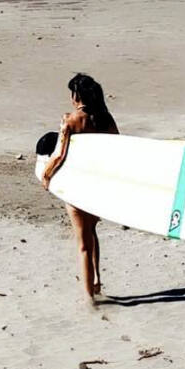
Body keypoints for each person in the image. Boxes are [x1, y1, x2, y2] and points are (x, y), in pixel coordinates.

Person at [40, 73, 119, 308]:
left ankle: (88, 297)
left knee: (82, 242)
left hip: (77, 185)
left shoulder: (71, 121)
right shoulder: (106, 119)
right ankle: (96, 280)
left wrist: (46, 176)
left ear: (76, 96)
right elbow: (118, 147)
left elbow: (60, 154)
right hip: (99, 185)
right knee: (92, 231)